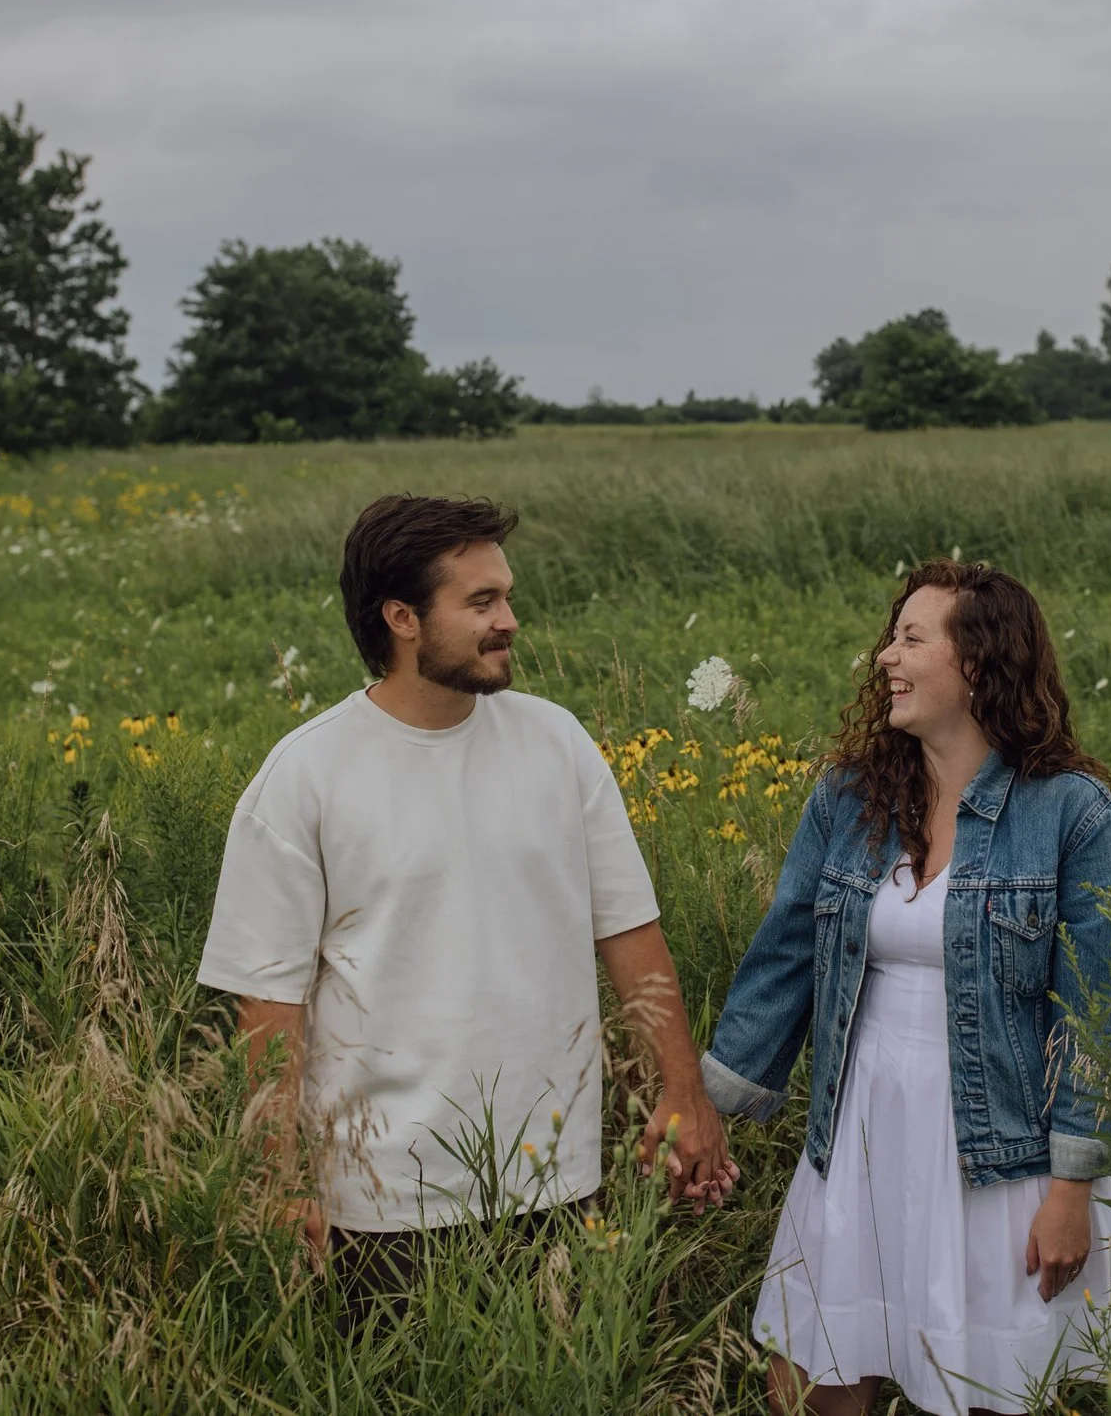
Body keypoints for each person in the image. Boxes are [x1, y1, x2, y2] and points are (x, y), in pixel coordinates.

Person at [196, 493, 734, 1317]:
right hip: (383, 1206)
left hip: (558, 1181)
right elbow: (269, 1006)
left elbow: (631, 932)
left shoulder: (556, 743)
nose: (509, 620)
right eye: (481, 601)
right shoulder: (306, 776)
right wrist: (278, 1178)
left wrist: (683, 1090)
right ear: (402, 617)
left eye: (507, 596)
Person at [702, 560, 1111, 1416]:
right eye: (891, 637)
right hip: (860, 1133)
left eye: (912, 638)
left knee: (981, 1391)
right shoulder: (850, 797)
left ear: (978, 663)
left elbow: (1104, 1010)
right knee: (809, 1384)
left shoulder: (1072, 812)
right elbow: (785, 953)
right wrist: (711, 1104)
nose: (886, 657)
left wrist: (1071, 1188)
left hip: (1001, 1155)